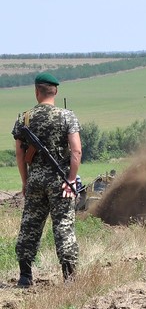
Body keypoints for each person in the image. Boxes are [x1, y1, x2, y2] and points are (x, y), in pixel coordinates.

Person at [11, 72, 82, 288]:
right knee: (63, 226)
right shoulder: (67, 116)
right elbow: (76, 151)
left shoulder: (24, 118)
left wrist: (26, 182)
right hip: (60, 182)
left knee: (30, 225)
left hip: (35, 181)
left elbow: (21, 156)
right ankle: (69, 278)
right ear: (56, 91)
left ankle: (24, 276)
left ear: (36, 92)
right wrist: (70, 179)